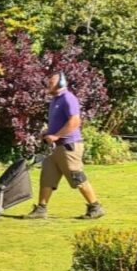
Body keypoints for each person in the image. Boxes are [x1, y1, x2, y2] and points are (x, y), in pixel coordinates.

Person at [26, 72, 105, 220]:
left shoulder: (68, 99)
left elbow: (75, 121)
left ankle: (95, 207)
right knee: (47, 178)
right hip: (55, 148)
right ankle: (41, 209)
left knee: (77, 177)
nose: (48, 85)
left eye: (51, 83)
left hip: (69, 147)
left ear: (61, 84)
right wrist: (47, 133)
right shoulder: (55, 100)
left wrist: (56, 136)